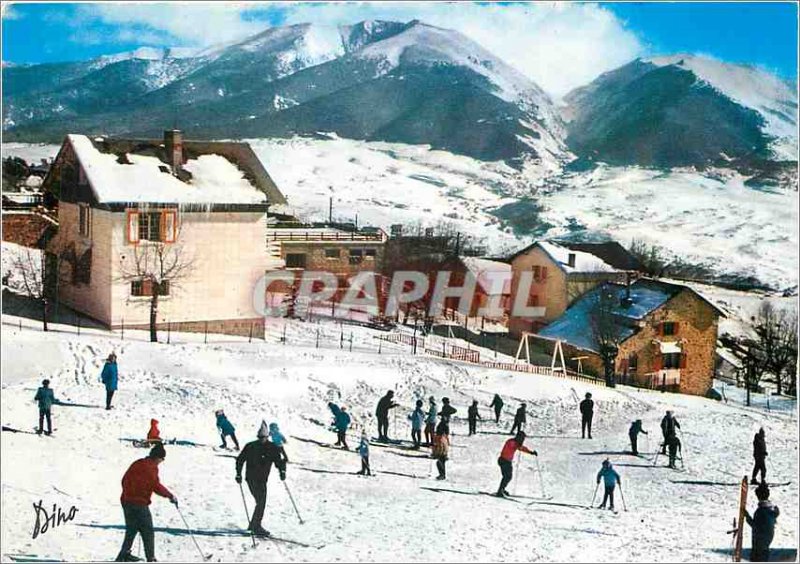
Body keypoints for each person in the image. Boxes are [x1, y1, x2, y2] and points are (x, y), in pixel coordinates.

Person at [114, 443, 177, 562]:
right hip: (139, 503)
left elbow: (124, 480)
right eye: (162, 459)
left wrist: (128, 493)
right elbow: (156, 486)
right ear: (157, 457)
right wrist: (170, 495)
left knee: (132, 529)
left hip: (126, 501)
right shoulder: (151, 468)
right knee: (147, 530)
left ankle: (123, 555)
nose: (161, 461)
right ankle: (151, 558)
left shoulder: (138, 462)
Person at [235, 421, 287, 537]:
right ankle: (256, 526)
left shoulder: (272, 447)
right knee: (261, 501)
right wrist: (238, 474)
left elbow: (279, 461)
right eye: (260, 437)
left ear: (267, 436)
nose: (261, 439)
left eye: (263, 437)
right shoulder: (250, 446)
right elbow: (240, 460)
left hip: (263, 479)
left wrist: (282, 471)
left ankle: (254, 525)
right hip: (251, 478)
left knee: (260, 502)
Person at [745, 482, 780, 563]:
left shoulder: (761, 511)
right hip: (767, 542)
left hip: (759, 544)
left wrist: (746, 516)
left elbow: (755, 525)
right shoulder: (771, 509)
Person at [496, 431, 537, 497]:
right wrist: (520, 446)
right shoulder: (511, 441)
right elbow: (515, 446)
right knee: (507, 476)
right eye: (522, 438)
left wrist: (531, 452)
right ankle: (500, 491)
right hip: (504, 461)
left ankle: (502, 489)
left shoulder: (516, 443)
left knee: (508, 477)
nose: (523, 440)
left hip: (507, 461)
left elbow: (522, 448)